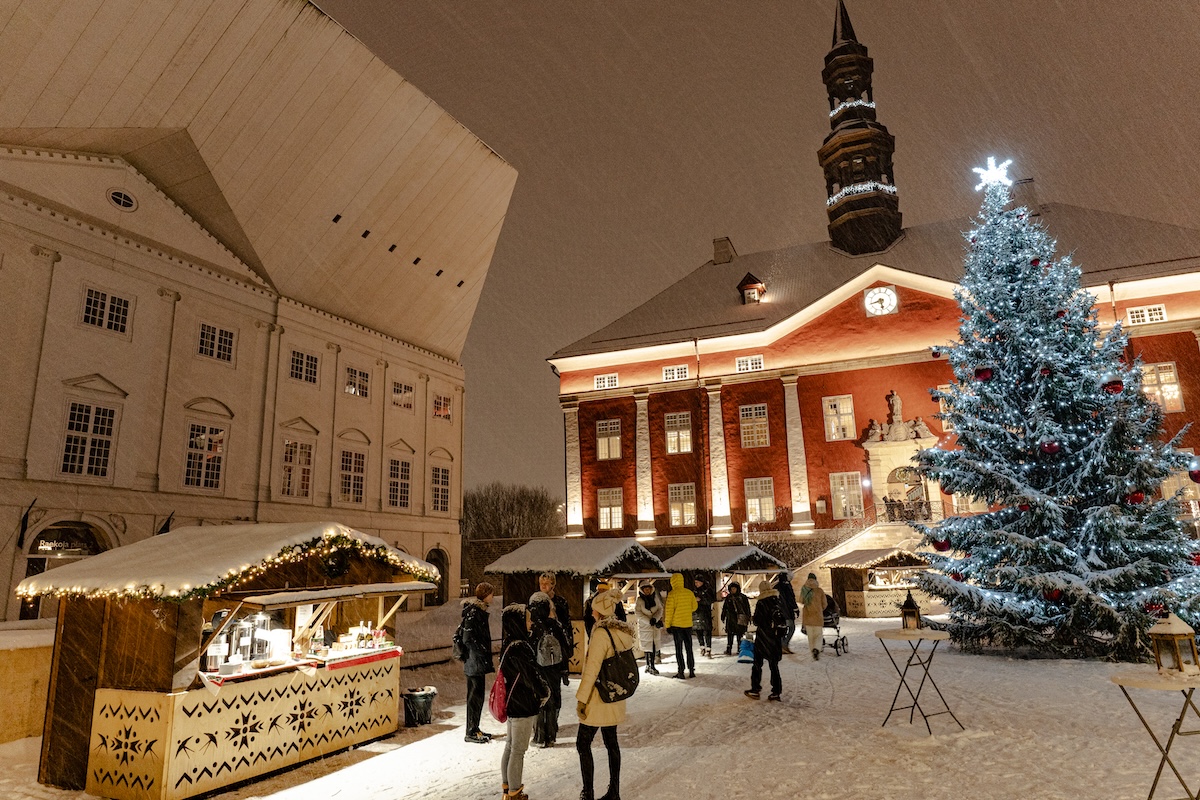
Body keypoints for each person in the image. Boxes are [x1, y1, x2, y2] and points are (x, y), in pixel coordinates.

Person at [576, 588, 634, 800]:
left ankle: (587, 792)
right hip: (615, 695)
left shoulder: (600, 634)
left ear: (600, 612)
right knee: (611, 743)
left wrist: (582, 700)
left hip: (598, 698)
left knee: (582, 744)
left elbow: (591, 670)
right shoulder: (622, 632)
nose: (592, 614)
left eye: (594, 611)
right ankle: (614, 791)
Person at [498, 604, 551, 800]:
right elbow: (530, 676)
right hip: (522, 703)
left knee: (510, 746)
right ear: (518, 622)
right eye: (527, 619)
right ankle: (514, 792)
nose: (530, 623)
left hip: (512, 702)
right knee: (518, 750)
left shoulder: (509, 643)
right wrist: (543, 691)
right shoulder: (520, 647)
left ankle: (507, 787)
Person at [529, 591, 570, 747]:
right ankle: (551, 735)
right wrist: (564, 670)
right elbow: (565, 649)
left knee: (539, 700)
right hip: (554, 670)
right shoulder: (555, 626)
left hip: (537, 670)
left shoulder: (531, 627)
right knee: (552, 701)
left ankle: (539, 736)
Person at [462, 581, 496, 743]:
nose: (493, 596)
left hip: (475, 662)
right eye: (491, 593)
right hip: (474, 662)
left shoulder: (477, 611)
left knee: (477, 696)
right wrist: (481, 652)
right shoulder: (475, 613)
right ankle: (471, 731)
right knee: (474, 696)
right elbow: (468, 638)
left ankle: (475, 728)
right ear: (485, 595)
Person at [745, 579, 784, 702]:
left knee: (757, 664)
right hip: (775, 638)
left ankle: (755, 689)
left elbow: (757, 621)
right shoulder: (777, 601)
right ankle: (776, 691)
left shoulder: (762, 603)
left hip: (763, 637)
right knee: (774, 666)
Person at [663, 572, 697, 678]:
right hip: (687, 625)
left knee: (679, 650)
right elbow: (694, 607)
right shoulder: (689, 593)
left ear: (672, 582)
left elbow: (669, 612)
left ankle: (681, 671)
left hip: (676, 626)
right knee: (689, 649)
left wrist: (667, 625)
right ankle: (691, 670)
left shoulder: (672, 594)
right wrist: (686, 611)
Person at [633, 581, 663, 674]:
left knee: (653, 646)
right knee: (647, 647)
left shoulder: (655, 598)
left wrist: (655, 619)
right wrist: (648, 621)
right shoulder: (640, 600)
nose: (647, 591)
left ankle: (652, 665)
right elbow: (638, 613)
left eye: (648, 589)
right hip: (645, 627)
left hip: (654, 627)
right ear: (642, 590)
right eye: (645, 589)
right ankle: (648, 665)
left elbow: (660, 609)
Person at [800, 572, 829, 661]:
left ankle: (813, 650)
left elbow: (801, 601)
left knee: (811, 637)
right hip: (818, 617)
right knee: (818, 635)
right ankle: (816, 649)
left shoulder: (804, 589)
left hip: (808, 617)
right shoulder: (819, 590)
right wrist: (819, 608)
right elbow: (825, 604)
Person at [720, 581, 751, 655]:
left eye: (734, 588)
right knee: (730, 635)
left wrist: (748, 617)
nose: (733, 590)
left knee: (739, 634)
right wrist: (723, 615)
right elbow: (725, 607)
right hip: (731, 618)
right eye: (731, 589)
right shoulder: (729, 597)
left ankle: (739, 648)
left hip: (739, 618)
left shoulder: (742, 597)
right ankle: (729, 648)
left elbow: (747, 608)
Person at [775, 571, 800, 655]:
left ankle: (782, 645)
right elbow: (791, 599)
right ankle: (784, 645)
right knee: (791, 628)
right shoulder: (787, 586)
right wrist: (795, 608)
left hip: (779, 612)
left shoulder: (776, 586)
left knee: (783, 629)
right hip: (787, 612)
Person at [691, 576, 715, 658]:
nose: (696, 584)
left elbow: (711, 600)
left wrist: (701, 600)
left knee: (707, 631)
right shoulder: (694, 591)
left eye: (697, 582)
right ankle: (702, 646)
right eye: (695, 582)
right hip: (696, 613)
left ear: (701, 582)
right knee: (698, 631)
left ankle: (708, 648)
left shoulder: (708, 590)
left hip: (705, 613)